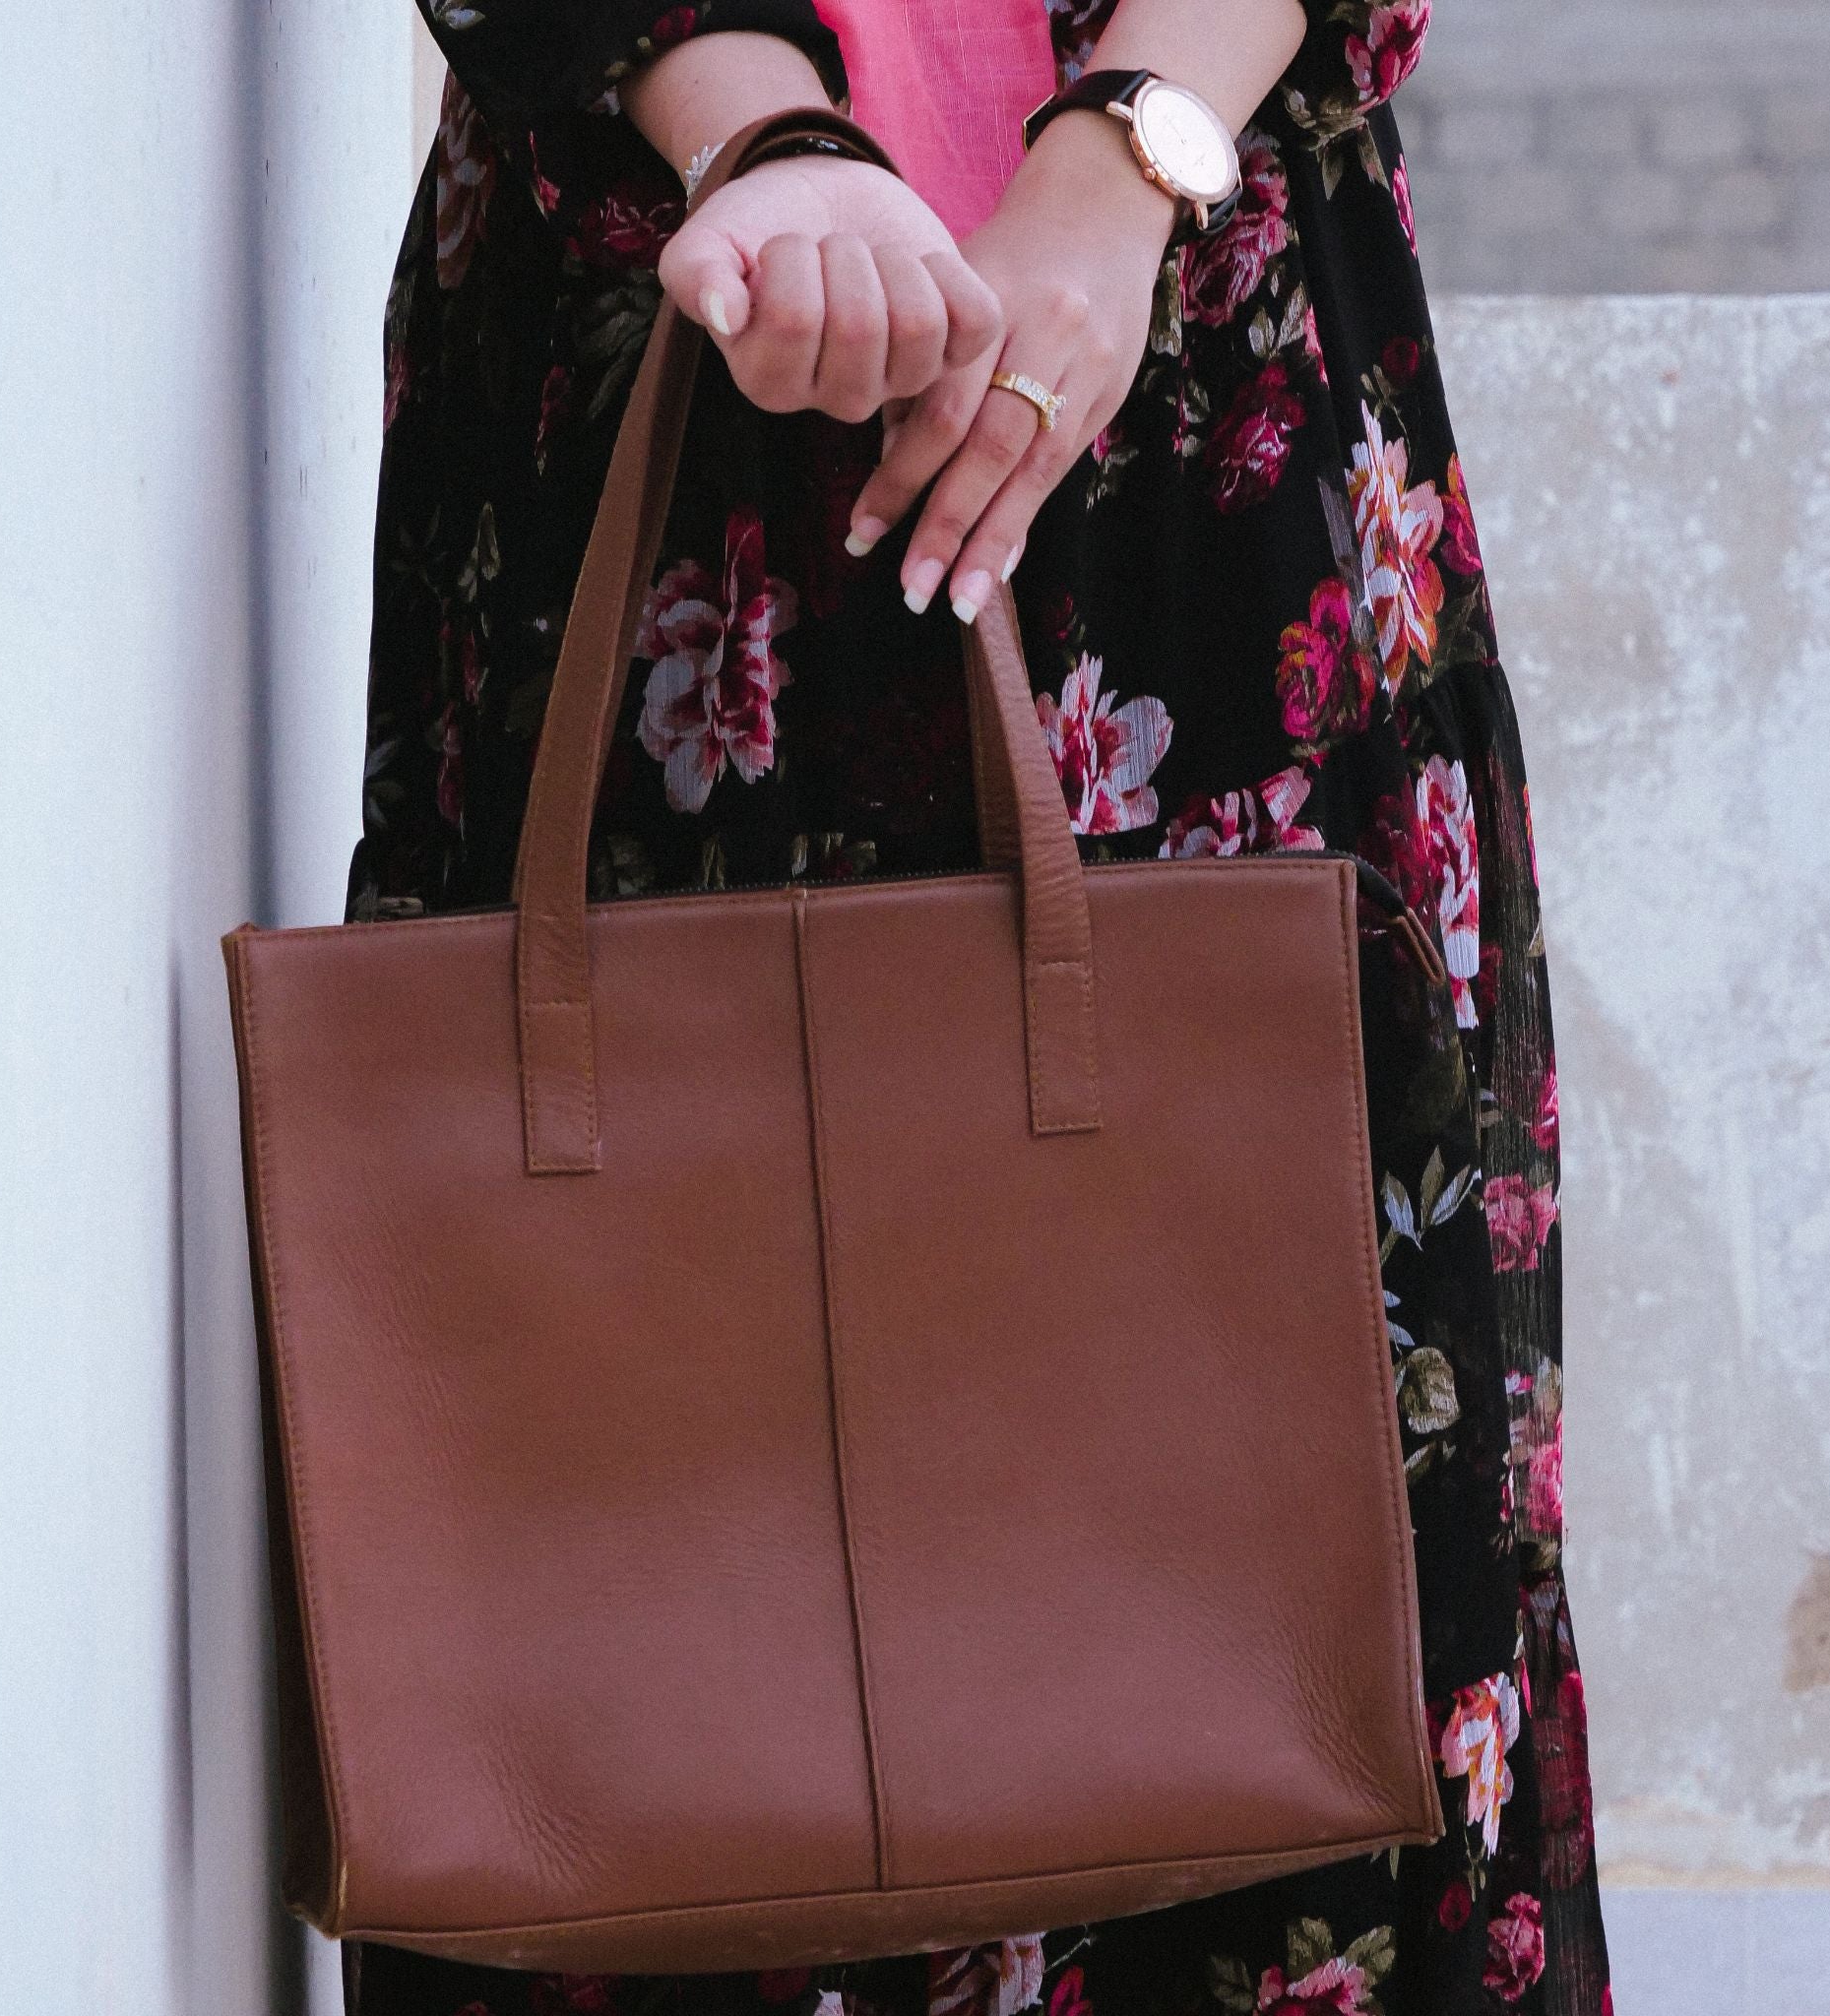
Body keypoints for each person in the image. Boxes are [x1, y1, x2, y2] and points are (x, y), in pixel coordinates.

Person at [345, 0, 1614, 2009]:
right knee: (653, 1536)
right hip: (676, 310)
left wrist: (1127, 158)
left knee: (1291, 1526)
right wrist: (752, 130)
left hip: (1189, 370)